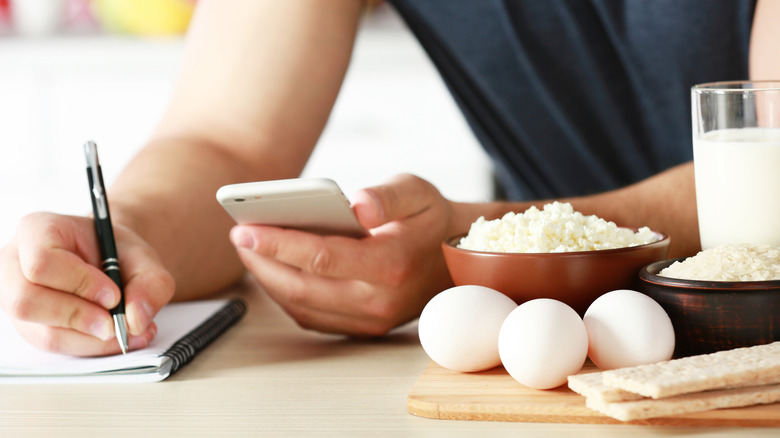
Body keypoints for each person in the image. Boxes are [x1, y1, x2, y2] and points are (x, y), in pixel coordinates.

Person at [1, 0, 777, 356]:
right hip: (529, 365)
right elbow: (224, 135)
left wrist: (483, 249)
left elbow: (771, 158)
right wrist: (128, 232)